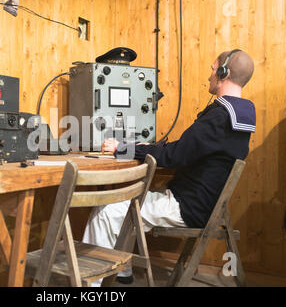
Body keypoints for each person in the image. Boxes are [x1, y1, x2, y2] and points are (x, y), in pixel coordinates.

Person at [82, 49, 256, 286]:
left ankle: (91, 287)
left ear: (224, 72)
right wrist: (146, 146)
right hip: (202, 204)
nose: (210, 74)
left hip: (186, 207)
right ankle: (121, 272)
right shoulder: (238, 116)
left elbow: (175, 156)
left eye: (214, 69)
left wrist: (123, 148)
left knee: (105, 211)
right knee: (123, 204)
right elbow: (186, 149)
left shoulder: (219, 116)